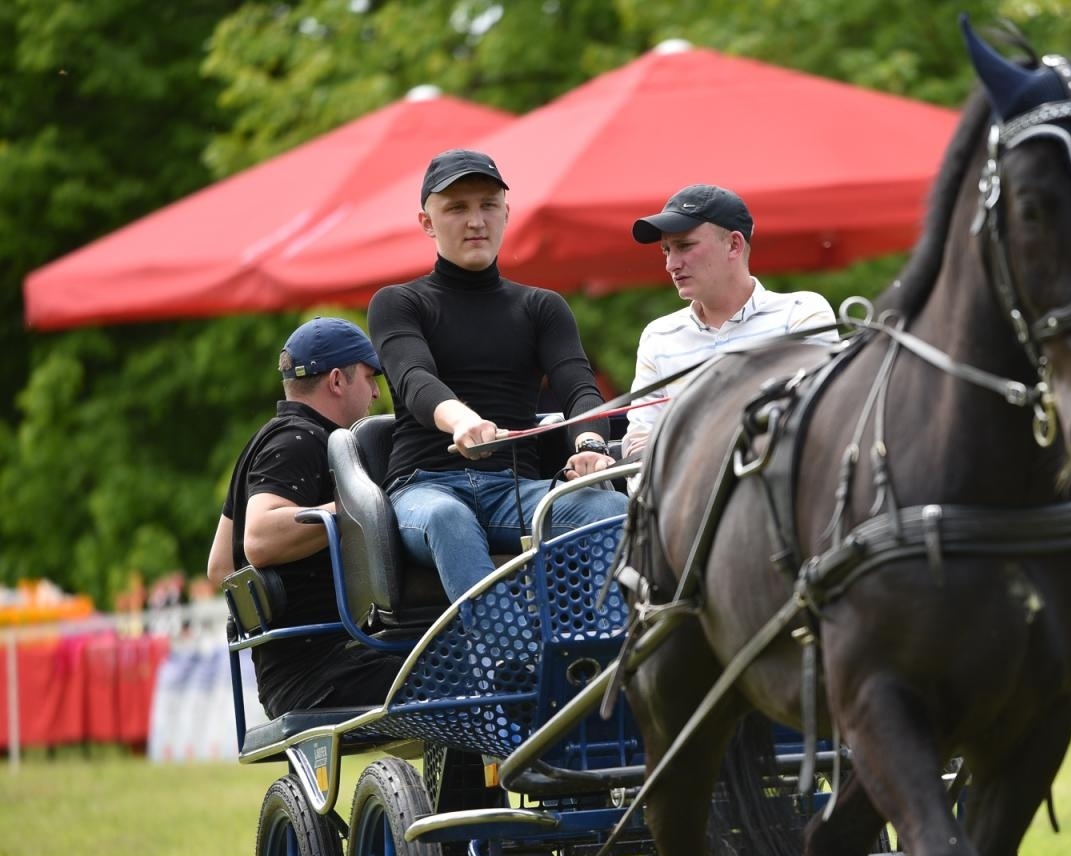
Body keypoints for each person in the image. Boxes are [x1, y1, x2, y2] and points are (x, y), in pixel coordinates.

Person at [368, 149, 627, 603]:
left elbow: (580, 389)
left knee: (611, 506)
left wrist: (590, 445)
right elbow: (413, 378)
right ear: (427, 223)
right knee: (448, 518)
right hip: (424, 489)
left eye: (488, 205)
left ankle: (607, 643)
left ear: (506, 214)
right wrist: (461, 420)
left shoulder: (542, 307)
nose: (476, 221)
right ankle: (507, 648)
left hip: (516, 490)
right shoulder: (397, 302)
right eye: (457, 208)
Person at [205, 317, 402, 719]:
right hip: (327, 671)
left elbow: (220, 566)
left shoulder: (263, 440)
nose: (375, 392)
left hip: (287, 679)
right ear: (336, 380)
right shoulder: (301, 440)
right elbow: (258, 539)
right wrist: (367, 507)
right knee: (463, 678)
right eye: (369, 378)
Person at [621, 183, 837, 460]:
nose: (671, 264)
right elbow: (638, 449)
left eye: (684, 246)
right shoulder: (659, 336)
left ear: (734, 245)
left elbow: (816, 420)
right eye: (666, 250)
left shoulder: (801, 313)